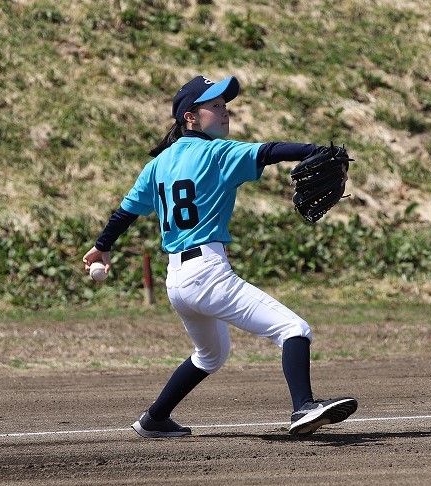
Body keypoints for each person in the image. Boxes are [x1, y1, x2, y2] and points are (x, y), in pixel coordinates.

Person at [82, 75, 357, 438]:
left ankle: (154, 419)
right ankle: (303, 407)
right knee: (294, 329)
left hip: (177, 282)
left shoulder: (157, 165)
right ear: (190, 118)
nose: (224, 112)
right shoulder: (216, 153)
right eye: (214, 106)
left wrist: (103, 246)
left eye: (224, 106)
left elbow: (125, 213)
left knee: (210, 355)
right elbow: (269, 151)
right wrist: (314, 150)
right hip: (208, 274)